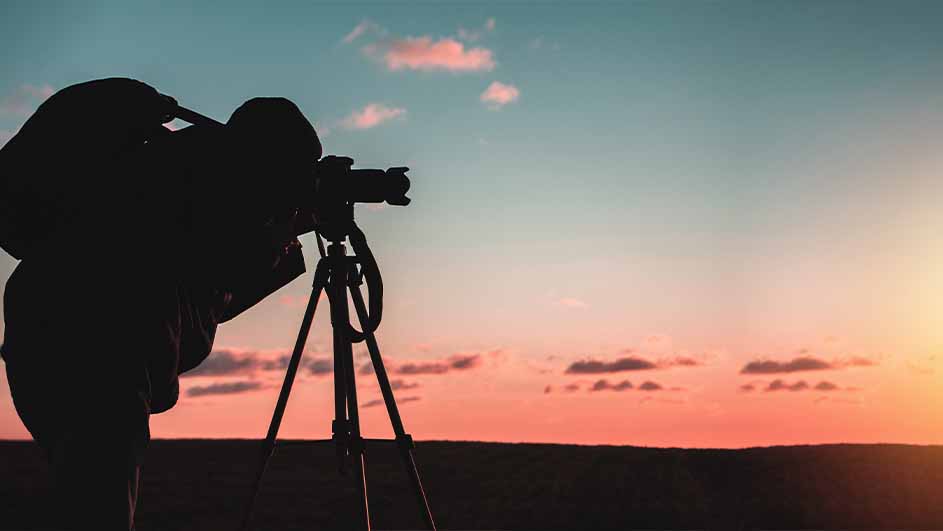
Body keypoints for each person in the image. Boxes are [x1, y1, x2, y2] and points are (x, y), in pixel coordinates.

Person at [1, 78, 322, 529]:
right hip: (100, 358)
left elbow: (202, 297)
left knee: (85, 500)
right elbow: (219, 278)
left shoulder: (166, 168)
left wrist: (281, 234)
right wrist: (281, 237)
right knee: (98, 509)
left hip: (45, 342)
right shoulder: (197, 184)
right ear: (265, 165)